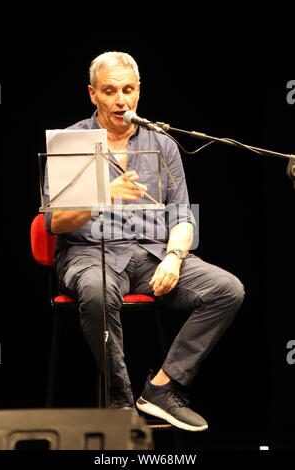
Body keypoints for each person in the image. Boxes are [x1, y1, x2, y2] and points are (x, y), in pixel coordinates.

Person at [44, 51, 244, 432]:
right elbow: (55, 223)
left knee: (227, 290)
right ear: (92, 94)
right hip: (91, 254)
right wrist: (101, 196)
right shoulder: (72, 142)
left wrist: (173, 256)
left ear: (139, 92)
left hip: (151, 254)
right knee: (98, 292)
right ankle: (120, 401)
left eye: (128, 90)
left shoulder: (162, 143)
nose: (121, 100)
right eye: (109, 91)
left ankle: (161, 391)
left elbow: (183, 216)